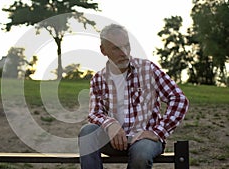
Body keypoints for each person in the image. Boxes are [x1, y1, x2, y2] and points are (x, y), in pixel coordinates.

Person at [78, 24, 189, 169]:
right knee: (87, 132)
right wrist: (110, 124)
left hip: (145, 141)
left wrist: (158, 132)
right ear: (103, 50)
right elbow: (95, 113)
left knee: (141, 155)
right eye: (116, 48)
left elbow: (179, 99)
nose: (124, 52)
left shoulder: (148, 69)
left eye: (126, 46)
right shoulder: (99, 79)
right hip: (114, 142)